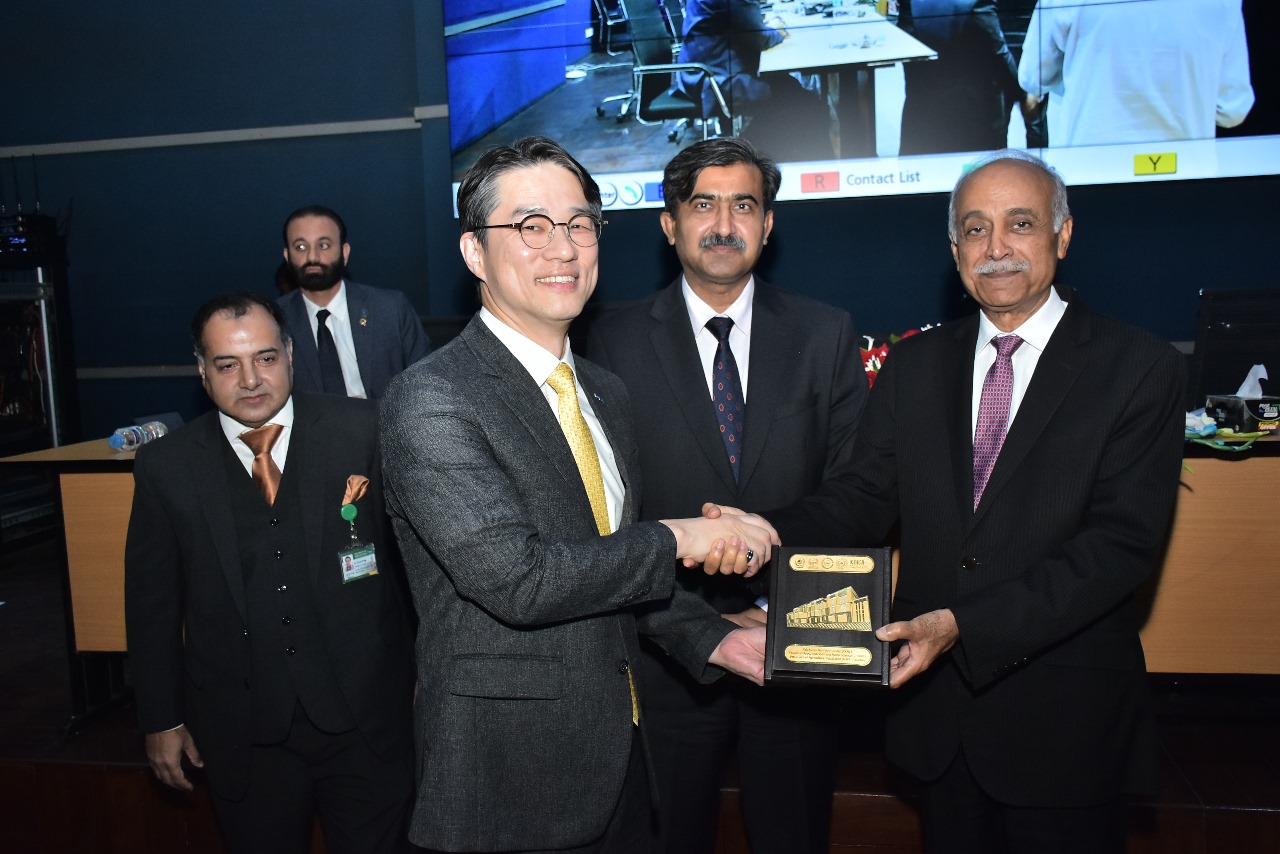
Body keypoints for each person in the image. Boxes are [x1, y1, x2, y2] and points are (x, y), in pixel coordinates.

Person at [379, 136, 778, 853]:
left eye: (580, 224)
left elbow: (611, 570)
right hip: (508, 782)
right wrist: (682, 536)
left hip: (624, 759)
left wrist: (719, 642)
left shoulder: (605, 392)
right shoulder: (431, 400)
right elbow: (520, 580)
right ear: (475, 252)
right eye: (530, 226)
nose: (562, 249)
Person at [833, 149, 1184, 853]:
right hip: (937, 724)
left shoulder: (1140, 367)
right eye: (974, 229)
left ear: (1062, 235)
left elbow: (1118, 548)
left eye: (1019, 224)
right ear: (954, 250)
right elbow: (860, 500)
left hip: (1065, 726)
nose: (995, 248)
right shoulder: (913, 365)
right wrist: (758, 536)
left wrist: (962, 623)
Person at [586, 137, 869, 854]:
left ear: (768, 224)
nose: (723, 222)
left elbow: (858, 489)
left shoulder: (824, 332)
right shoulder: (606, 344)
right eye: (702, 204)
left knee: (795, 833)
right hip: (664, 646)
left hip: (795, 634)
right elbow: (603, 509)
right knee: (666, 833)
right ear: (669, 223)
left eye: (744, 205)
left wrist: (766, 571)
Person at [125, 292, 415, 853]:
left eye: (265, 357)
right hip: (241, 734)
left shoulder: (362, 429)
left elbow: (414, 564)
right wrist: (159, 719)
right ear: (202, 373)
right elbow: (151, 605)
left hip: (365, 722)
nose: (251, 379)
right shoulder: (167, 467)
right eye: (228, 364)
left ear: (289, 353)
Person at [1017, 0, 1254, 147]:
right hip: (1186, 174)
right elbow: (1233, 108)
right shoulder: (1224, 3)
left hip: (1088, 172)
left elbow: (1033, 76)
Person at [277, 205, 430, 399]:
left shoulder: (390, 309)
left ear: (345, 252)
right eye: (300, 247)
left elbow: (426, 383)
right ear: (287, 256)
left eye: (323, 245)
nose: (312, 257)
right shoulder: (275, 320)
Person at [897, 0, 1022, 155]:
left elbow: (905, 49)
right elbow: (998, 52)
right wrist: (1022, 94)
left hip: (922, 112)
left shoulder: (910, 4)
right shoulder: (977, 3)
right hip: (972, 116)